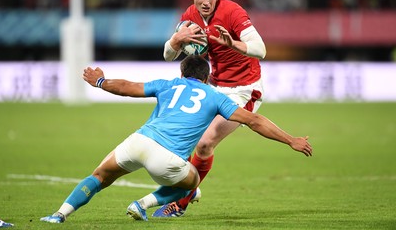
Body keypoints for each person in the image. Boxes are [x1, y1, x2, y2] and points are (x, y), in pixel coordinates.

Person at [40, 55, 312, 223]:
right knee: (192, 184)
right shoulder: (217, 96)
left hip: (139, 142)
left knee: (99, 176)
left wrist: (100, 82)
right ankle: (147, 203)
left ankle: (59, 214)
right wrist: (291, 140)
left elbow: (127, 88)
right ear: (207, 79)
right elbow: (254, 120)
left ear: (182, 74)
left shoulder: (167, 84)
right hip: (167, 160)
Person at [158, 0, 268, 217]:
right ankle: (190, 187)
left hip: (244, 89)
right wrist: (175, 41)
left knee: (206, 143)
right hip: (213, 87)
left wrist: (234, 44)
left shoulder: (233, 12)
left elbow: (261, 49)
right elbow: (168, 56)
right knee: (181, 137)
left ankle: (181, 203)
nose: (206, 1)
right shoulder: (189, 17)